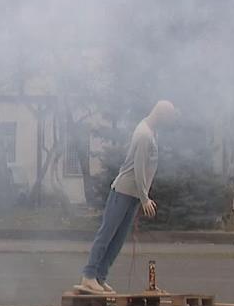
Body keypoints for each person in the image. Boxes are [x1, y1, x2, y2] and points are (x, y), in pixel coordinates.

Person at [75, 100, 177, 295]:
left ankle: (100, 277)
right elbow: (138, 169)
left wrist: (141, 196)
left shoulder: (152, 132)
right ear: (161, 114)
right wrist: (145, 198)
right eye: (169, 118)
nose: (170, 122)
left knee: (118, 239)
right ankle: (89, 276)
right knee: (107, 234)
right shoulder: (144, 134)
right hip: (122, 192)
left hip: (133, 195)